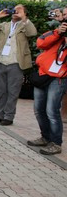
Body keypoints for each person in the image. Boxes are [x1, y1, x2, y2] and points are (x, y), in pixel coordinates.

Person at [0, 4, 37, 125]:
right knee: (0, 91)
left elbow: (32, 33)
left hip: (16, 63)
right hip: (1, 62)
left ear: (25, 13)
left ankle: (9, 116)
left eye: (19, 10)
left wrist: (24, 18)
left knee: (13, 91)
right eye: (15, 9)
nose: (16, 11)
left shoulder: (25, 25)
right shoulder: (5, 25)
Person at [27, 20, 67, 155]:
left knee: (52, 111)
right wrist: (58, 33)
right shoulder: (56, 34)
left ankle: (56, 143)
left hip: (59, 78)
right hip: (43, 75)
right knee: (38, 110)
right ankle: (45, 137)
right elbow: (40, 43)